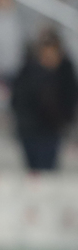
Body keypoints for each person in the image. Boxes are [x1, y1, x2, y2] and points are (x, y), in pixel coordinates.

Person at [11, 29, 78, 172]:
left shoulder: (65, 71)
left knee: (48, 171)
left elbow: (70, 99)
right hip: (30, 131)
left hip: (52, 131)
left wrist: (64, 121)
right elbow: (18, 99)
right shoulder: (28, 70)